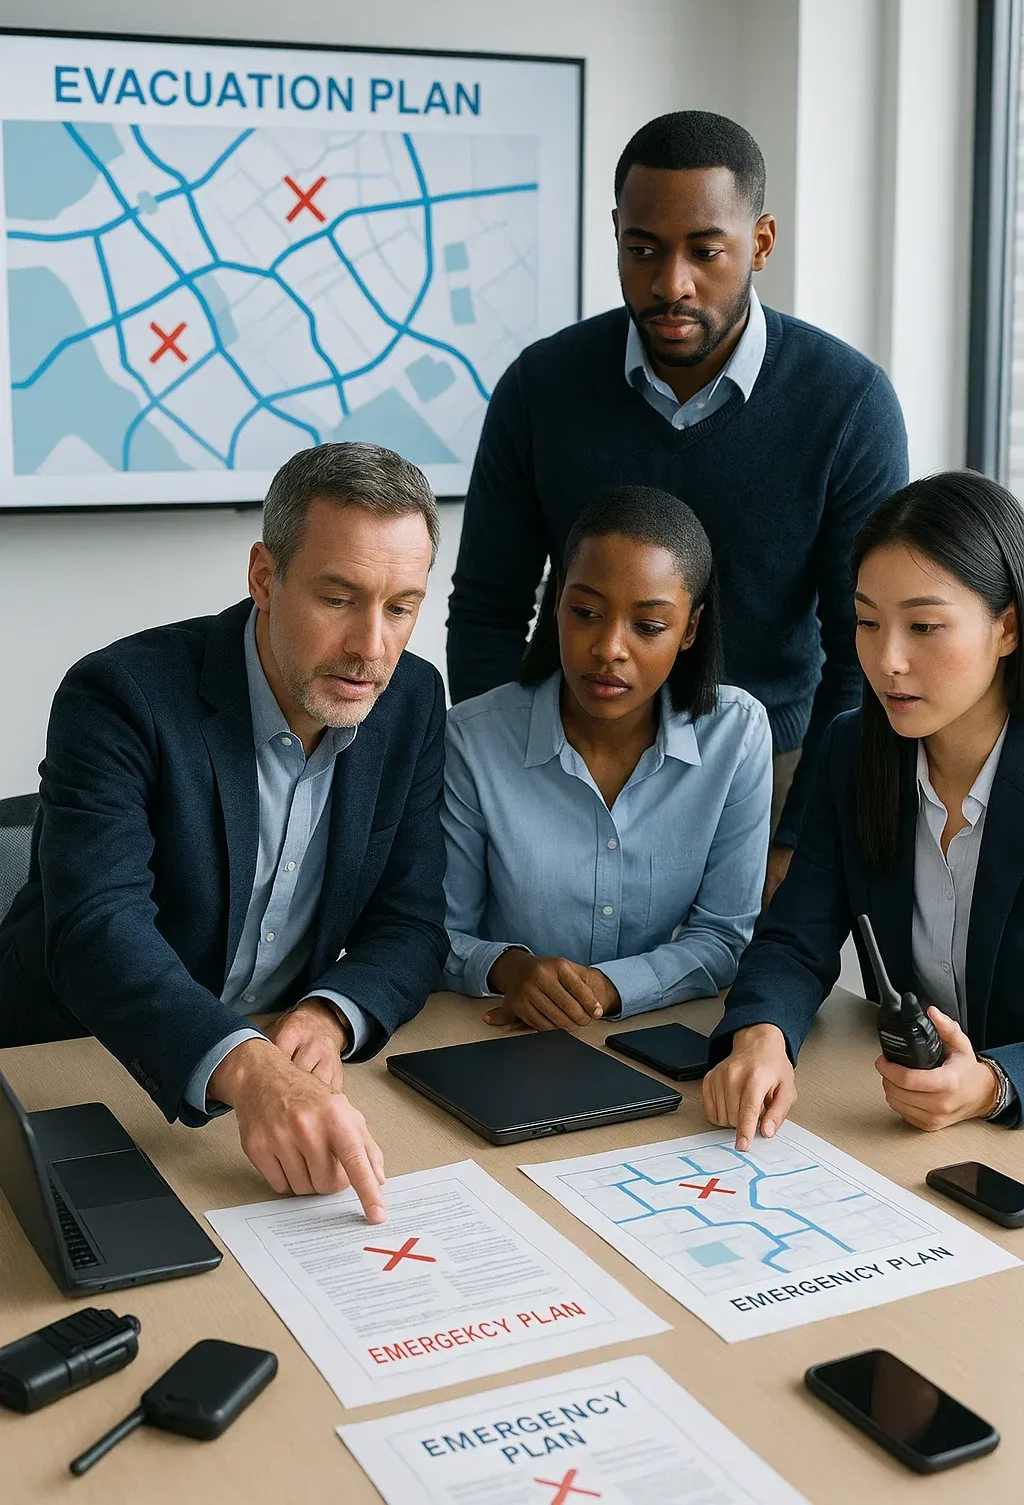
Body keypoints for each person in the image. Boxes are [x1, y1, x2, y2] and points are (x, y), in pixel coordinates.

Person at [447, 110, 908, 903]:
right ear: (617, 234)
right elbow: (489, 607)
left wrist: (800, 832)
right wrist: (503, 780)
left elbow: (864, 646)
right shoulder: (540, 388)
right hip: (566, 763)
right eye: (644, 249)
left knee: (738, 1017)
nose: (671, 284)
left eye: (706, 250)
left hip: (773, 776)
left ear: (761, 242)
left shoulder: (849, 403)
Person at [0, 442, 449, 1221]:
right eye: (339, 599)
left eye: (401, 606)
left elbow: (410, 921)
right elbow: (97, 930)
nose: (371, 647)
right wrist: (250, 1068)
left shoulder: (410, 699)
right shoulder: (120, 695)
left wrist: (330, 1012)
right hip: (72, 1061)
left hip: (278, 1065)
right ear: (265, 578)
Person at [702, 471, 1024, 1148]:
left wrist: (996, 1082)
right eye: (868, 622)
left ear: (1007, 628)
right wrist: (763, 1037)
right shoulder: (854, 747)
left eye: (924, 626)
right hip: (917, 1141)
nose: (888, 660)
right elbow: (796, 936)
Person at [441, 486, 772, 1029]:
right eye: (586, 612)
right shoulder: (472, 740)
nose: (609, 648)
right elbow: (438, 932)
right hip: (498, 1032)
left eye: (648, 627)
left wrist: (610, 987)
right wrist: (509, 968)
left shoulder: (735, 737)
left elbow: (723, 938)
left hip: (660, 1031)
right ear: (556, 606)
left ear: (690, 629)